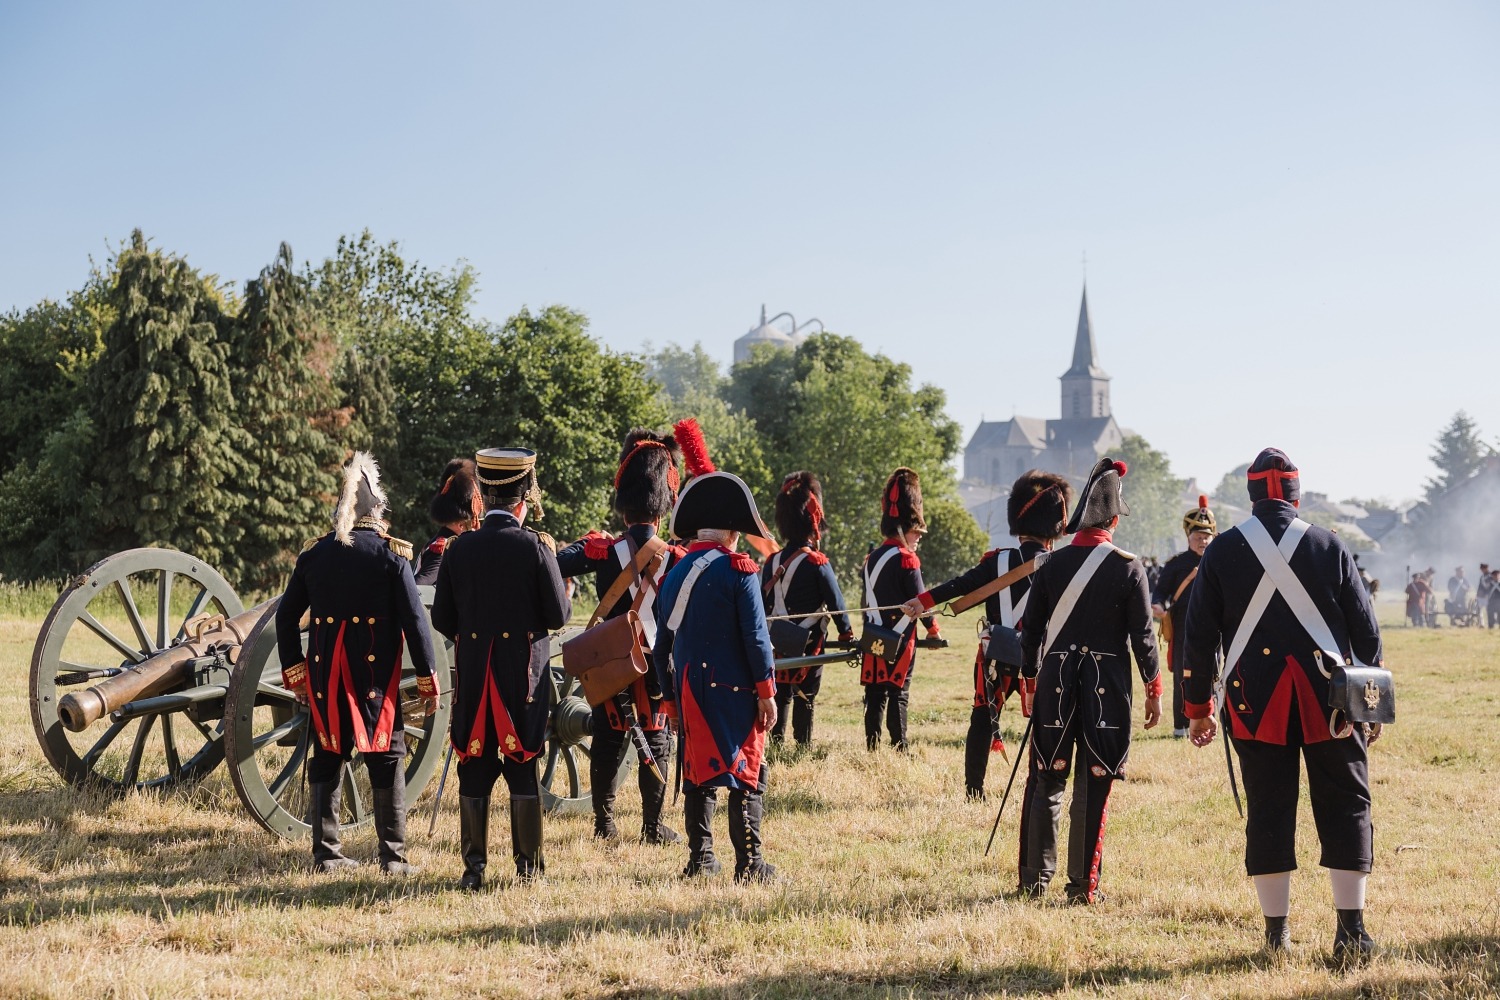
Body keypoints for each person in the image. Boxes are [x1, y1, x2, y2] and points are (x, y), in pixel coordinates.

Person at [1182, 448, 1383, 963]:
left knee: (1268, 807)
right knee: (1346, 803)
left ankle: (1277, 937)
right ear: (1295, 492)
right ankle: (1352, 932)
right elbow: (1366, 631)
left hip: (1254, 701)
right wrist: (1370, 704)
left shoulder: (1222, 552)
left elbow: (1198, 635)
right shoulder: (1327, 543)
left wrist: (1199, 706)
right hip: (1332, 703)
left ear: (1252, 494)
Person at [275, 452, 440, 875]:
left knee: (328, 755)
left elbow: (285, 616)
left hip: (326, 676)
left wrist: (295, 669)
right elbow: (416, 623)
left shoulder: (314, 556)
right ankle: (393, 857)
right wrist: (427, 678)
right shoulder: (391, 556)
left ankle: (326, 854)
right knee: (387, 755)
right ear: (378, 510)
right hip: (375, 678)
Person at [1016, 457, 1161, 905]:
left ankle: (1034, 883)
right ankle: (1081, 888)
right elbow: (1143, 636)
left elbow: (1032, 631)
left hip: (1054, 683)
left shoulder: (1050, 564)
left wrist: (1028, 681)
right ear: (1114, 518)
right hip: (1107, 689)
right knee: (1094, 783)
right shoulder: (1127, 566)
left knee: (1048, 779)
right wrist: (1154, 688)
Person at [430, 447, 570, 889]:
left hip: (474, 676)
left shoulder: (458, 548)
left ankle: (473, 871)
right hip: (521, 677)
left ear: (485, 497)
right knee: (522, 766)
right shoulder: (535, 546)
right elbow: (559, 616)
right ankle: (528, 870)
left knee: (473, 766)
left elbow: (442, 620)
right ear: (523, 500)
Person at [555, 426, 689, 844]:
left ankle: (605, 825)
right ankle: (651, 826)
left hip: (611, 661)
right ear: (663, 504)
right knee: (658, 737)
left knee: (609, 736)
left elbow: (554, 564)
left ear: (624, 503)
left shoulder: (601, 551)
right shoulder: (676, 558)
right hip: (655, 664)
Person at [902, 470, 1072, 799]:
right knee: (1046, 719)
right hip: (1041, 657)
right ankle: (1041, 785)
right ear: (1053, 527)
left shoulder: (998, 561)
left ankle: (973, 789)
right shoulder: (1059, 563)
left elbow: (960, 586)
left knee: (982, 717)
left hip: (998, 655)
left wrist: (922, 601)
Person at [652, 470, 780, 881]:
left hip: (688, 687)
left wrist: (669, 699)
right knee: (748, 773)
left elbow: (662, 646)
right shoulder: (740, 570)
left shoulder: (674, 574)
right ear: (730, 532)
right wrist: (767, 691)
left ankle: (701, 859)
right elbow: (757, 638)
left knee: (698, 772)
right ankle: (750, 863)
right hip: (735, 689)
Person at [762, 471, 853, 747]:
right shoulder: (817, 562)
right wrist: (847, 634)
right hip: (809, 641)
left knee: (780, 693)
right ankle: (803, 745)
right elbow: (837, 604)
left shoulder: (771, 560)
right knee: (806, 695)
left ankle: (776, 742)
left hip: (777, 639)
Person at [858, 468, 941, 752]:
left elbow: (865, 602)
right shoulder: (907, 559)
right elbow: (922, 599)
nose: (918, 537)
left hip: (874, 633)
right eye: (915, 531)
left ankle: (872, 746)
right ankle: (900, 747)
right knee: (897, 692)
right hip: (901, 637)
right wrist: (933, 629)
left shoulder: (872, 558)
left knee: (875, 691)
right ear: (903, 529)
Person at [1151, 496, 1217, 737]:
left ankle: (1210, 719)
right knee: (1183, 676)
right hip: (1184, 629)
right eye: (1199, 537)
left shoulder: (1218, 562)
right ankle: (1180, 727)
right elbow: (1160, 593)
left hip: (1214, 629)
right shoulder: (1177, 565)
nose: (1203, 541)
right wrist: (1158, 605)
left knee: (1214, 675)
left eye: (1206, 537)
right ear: (1189, 537)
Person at [414, 458, 482, 586]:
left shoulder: (447, 543)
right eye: (473, 520)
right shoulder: (444, 548)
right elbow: (419, 587)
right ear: (461, 524)